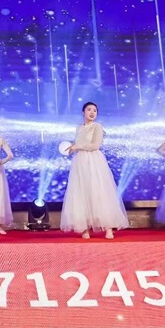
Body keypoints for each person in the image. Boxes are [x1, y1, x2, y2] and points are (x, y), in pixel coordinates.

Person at [61, 102, 129, 239]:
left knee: (99, 192)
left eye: (95, 110)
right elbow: (78, 144)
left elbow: (95, 145)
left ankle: (108, 227)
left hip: (94, 161)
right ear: (83, 112)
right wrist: (71, 148)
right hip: (80, 162)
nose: (92, 112)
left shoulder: (97, 126)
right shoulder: (79, 127)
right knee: (81, 193)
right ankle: (85, 228)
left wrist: (77, 146)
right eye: (89, 110)